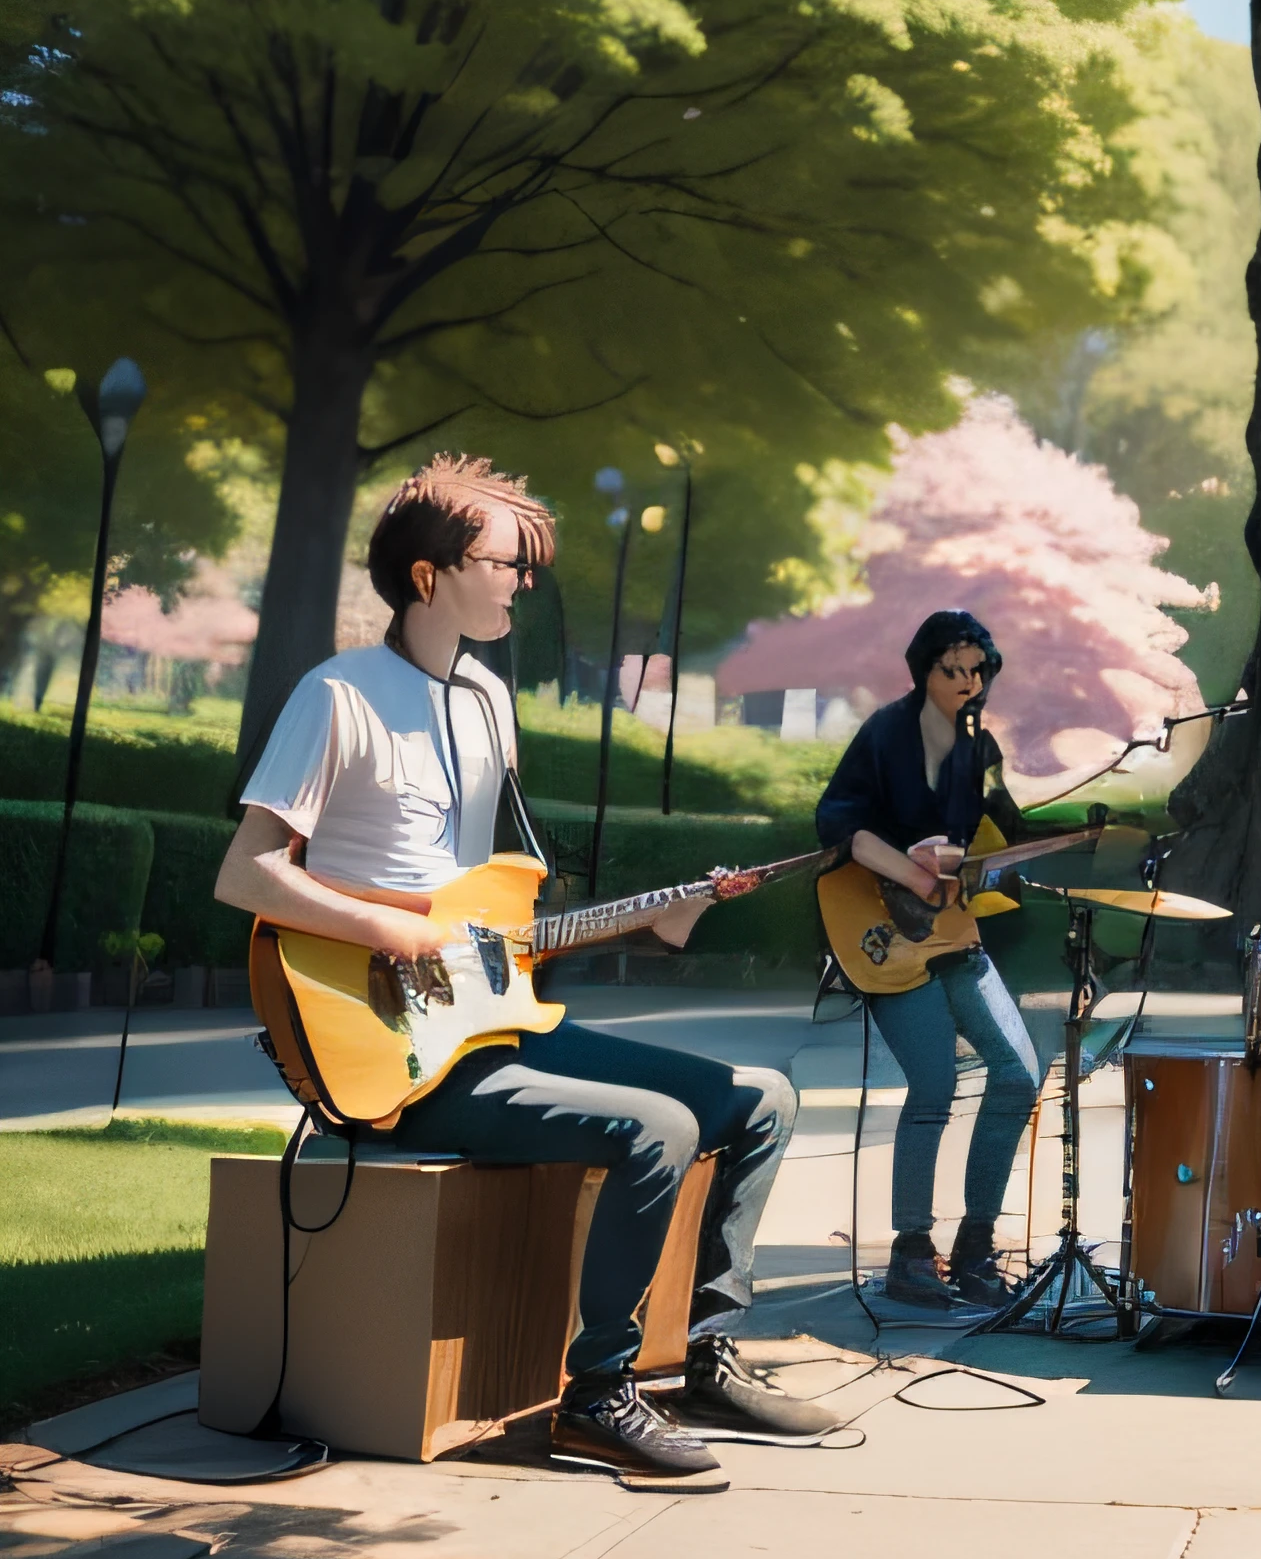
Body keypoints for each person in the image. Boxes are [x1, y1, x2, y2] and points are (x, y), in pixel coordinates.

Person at [216, 454, 841, 1485]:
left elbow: (491, 915)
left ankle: (705, 1360)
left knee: (761, 1098)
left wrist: (658, 917)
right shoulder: (337, 696)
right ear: (429, 574)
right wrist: (394, 937)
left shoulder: (484, 701)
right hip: (395, 1056)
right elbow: (248, 874)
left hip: (486, 1020)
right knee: (660, 1129)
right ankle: (597, 1397)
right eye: (505, 563)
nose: (521, 583)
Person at [813, 610, 1047, 1312]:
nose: (968, 683)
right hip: (879, 924)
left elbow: (988, 840)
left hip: (950, 926)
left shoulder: (979, 748)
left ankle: (976, 1245)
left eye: (978, 670)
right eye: (954, 670)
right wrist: (913, 876)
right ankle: (911, 1253)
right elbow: (839, 822)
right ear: (924, 670)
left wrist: (998, 860)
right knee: (935, 1086)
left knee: (1017, 1075)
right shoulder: (886, 731)